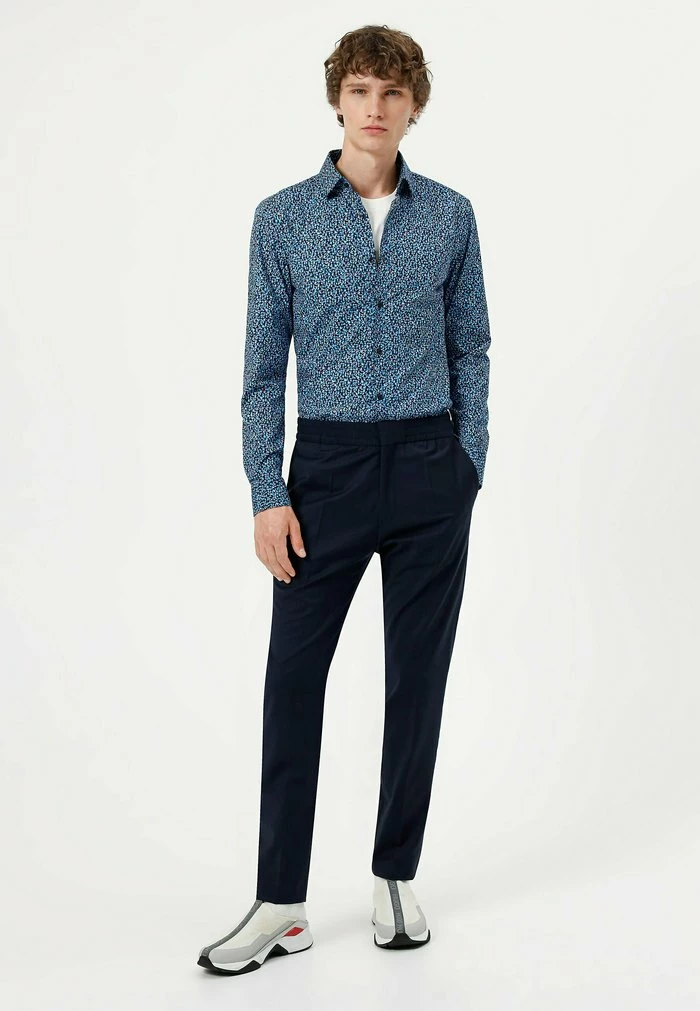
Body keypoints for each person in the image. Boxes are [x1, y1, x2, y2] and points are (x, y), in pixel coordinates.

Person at [198, 23, 491, 975]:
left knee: (418, 678)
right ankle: (281, 899)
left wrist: (469, 464)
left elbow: (472, 344)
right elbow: (260, 369)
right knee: (293, 681)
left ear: (414, 106)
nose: (376, 108)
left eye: (393, 93)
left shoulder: (450, 216)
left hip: (429, 466)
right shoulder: (282, 219)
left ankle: (395, 875)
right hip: (323, 471)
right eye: (361, 90)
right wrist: (267, 490)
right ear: (338, 100)